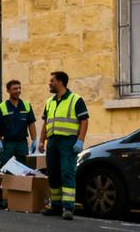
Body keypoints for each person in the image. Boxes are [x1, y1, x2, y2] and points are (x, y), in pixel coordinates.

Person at [39, 71, 88, 220]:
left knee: (67, 172)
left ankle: (68, 208)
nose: (49, 83)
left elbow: (84, 121)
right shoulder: (49, 102)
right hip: (52, 142)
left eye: (52, 81)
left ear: (60, 82)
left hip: (68, 142)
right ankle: (55, 206)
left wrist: (80, 140)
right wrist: (41, 141)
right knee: (53, 173)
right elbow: (46, 123)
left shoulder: (76, 100)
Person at [0, 80, 37, 167]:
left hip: (22, 143)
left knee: (24, 168)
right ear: (8, 91)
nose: (18, 90)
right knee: (5, 168)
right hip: (7, 144)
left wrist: (34, 140)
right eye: (15, 89)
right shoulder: (2, 107)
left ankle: (21, 181)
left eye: (19, 88)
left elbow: (31, 123)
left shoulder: (26, 105)